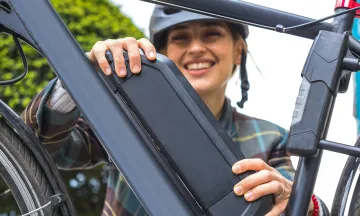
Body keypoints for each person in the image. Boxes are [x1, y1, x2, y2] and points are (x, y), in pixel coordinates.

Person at [21, 5, 329, 216]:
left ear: (238, 49)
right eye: (180, 38)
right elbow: (41, 147)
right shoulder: (127, 118)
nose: (196, 48)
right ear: (162, 53)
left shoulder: (272, 138)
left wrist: (294, 198)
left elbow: (296, 203)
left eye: (212, 34)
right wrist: (78, 78)